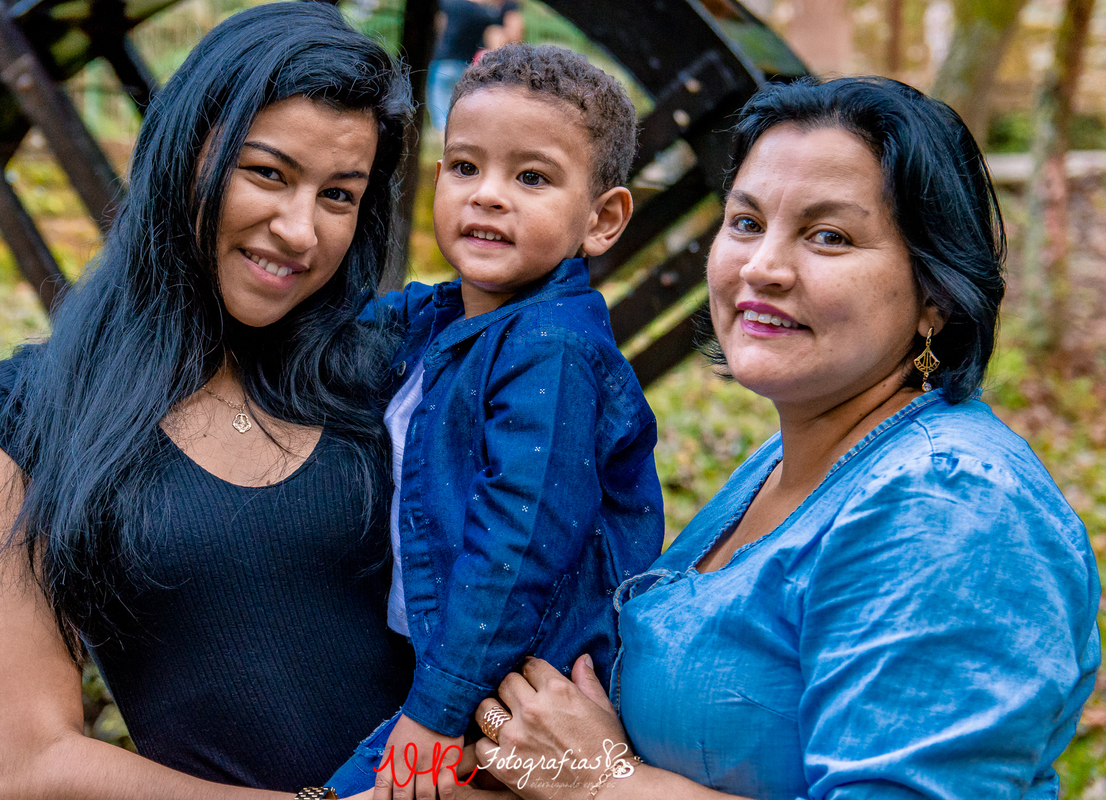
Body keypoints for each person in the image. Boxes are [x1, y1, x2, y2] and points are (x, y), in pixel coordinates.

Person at [466, 76, 1101, 800]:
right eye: (745, 222)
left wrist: (598, 783)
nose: (762, 267)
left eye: (829, 236)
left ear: (936, 293)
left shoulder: (950, 504)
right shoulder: (796, 456)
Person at [0, 4, 414, 798]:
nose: (301, 231)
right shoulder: (12, 420)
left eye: (338, 195)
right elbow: (29, 765)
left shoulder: (393, 376)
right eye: (268, 173)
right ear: (180, 155)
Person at [333, 43, 664, 800]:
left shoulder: (552, 348)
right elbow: (339, 335)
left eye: (532, 177)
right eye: (465, 167)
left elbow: (518, 543)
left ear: (602, 219)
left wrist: (436, 712)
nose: (487, 195)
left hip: (517, 697)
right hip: (457, 670)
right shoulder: (442, 317)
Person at [426, 0, 524, 131]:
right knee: (459, 118)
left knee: (442, 119)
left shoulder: (447, 4)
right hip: (465, 67)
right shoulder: (482, 13)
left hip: (440, 64)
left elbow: (437, 26)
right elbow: (505, 33)